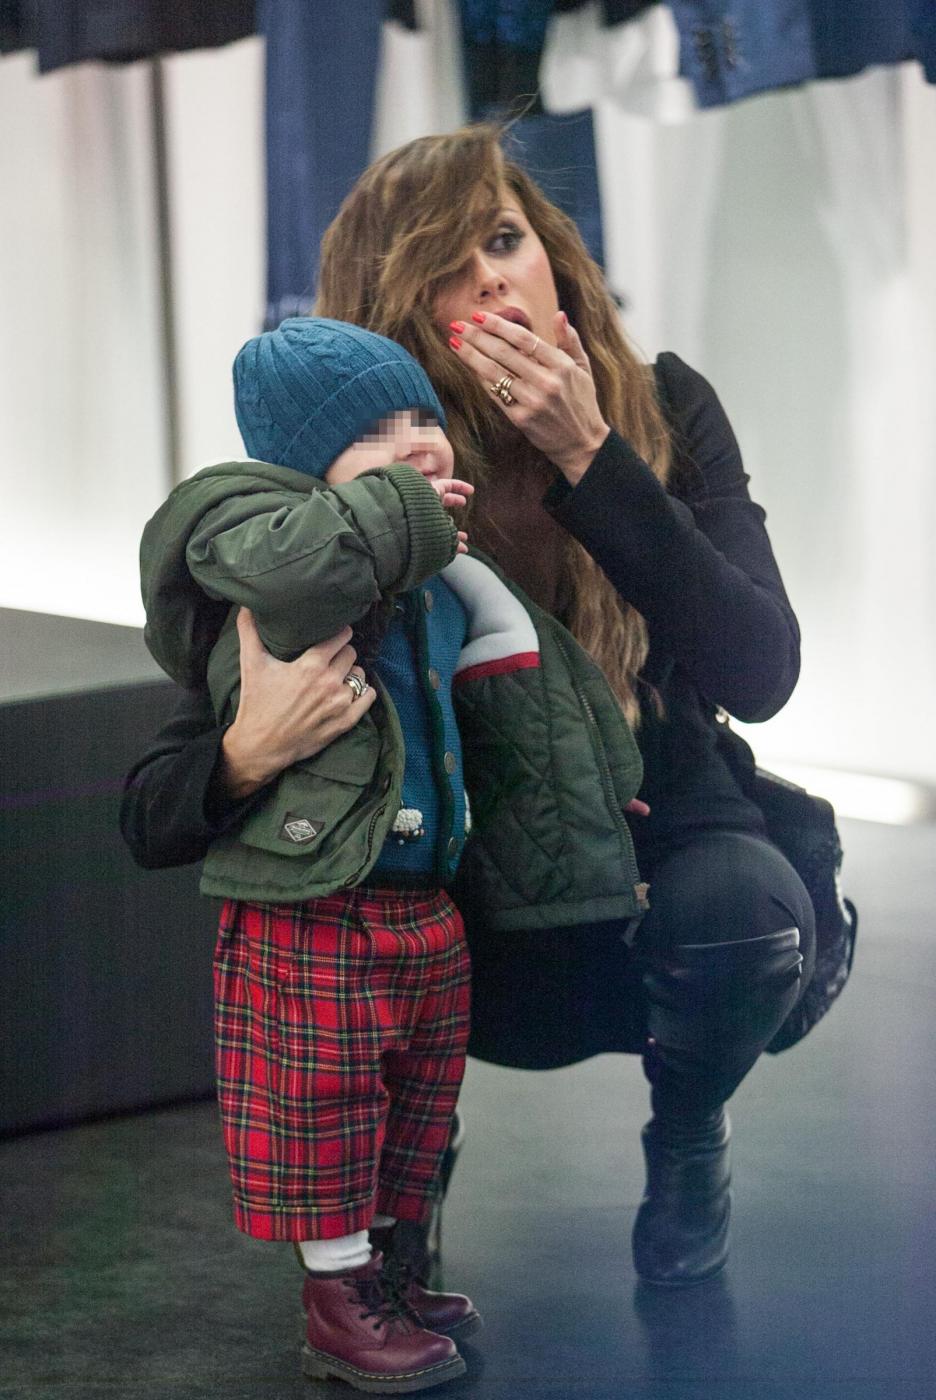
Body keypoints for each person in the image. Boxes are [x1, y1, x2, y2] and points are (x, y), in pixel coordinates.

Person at [122, 123, 815, 1294]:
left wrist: (593, 455)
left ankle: (691, 1129)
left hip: (661, 837)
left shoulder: (662, 404)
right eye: (448, 265)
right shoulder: (335, 496)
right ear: (391, 316)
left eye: (503, 238)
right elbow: (155, 801)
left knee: (747, 917)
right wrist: (247, 753)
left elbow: (763, 672)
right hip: (455, 881)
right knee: (344, 929)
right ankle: (400, 1191)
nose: (491, 279)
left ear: (554, 253)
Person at [135, 316, 648, 1390]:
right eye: (372, 432)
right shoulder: (257, 547)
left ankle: (390, 1271)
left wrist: (591, 793)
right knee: (325, 1108)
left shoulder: (443, 585)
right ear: (300, 466)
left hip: (424, 901)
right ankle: (338, 1299)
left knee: (415, 1102)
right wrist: (247, 750)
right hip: (316, 902)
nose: (418, 440)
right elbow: (303, 564)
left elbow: (524, 710)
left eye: (424, 415)